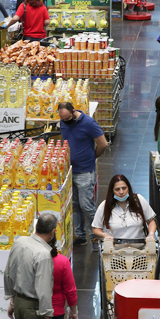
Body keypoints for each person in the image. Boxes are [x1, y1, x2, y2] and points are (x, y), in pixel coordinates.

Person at [5, 213, 58, 319]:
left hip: (19, 302)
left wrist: (12, 300)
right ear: (53, 232)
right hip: (34, 309)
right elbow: (43, 289)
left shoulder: (20, 242)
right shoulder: (43, 255)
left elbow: (8, 272)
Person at [58, 102, 108, 251]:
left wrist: (92, 157)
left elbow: (103, 143)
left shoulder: (88, 123)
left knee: (86, 205)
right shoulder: (63, 121)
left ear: (73, 111)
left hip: (85, 171)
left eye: (67, 118)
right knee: (74, 204)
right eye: (63, 119)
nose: (65, 121)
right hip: (70, 170)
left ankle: (96, 237)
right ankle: (79, 235)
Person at [92, 175, 158, 242]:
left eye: (124, 188)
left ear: (128, 188)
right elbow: (96, 228)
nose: (121, 192)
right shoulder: (104, 205)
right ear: (112, 191)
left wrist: (151, 234)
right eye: (117, 189)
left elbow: (151, 221)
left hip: (139, 247)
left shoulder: (139, 200)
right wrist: (105, 235)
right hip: (114, 248)